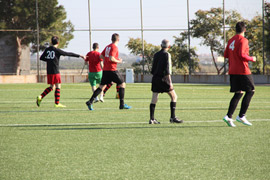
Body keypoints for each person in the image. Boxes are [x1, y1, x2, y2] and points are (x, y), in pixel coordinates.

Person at [223, 21, 256, 127]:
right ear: (244, 30)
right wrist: (252, 58)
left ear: (235, 30)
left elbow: (226, 55)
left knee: (238, 93)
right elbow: (242, 54)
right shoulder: (244, 40)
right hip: (242, 70)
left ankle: (228, 116)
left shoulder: (231, 40)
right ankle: (241, 116)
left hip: (233, 70)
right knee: (251, 91)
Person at [36, 36, 86, 108]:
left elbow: (41, 58)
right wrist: (80, 55)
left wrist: (49, 60)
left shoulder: (47, 49)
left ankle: (41, 96)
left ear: (51, 42)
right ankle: (57, 103)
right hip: (55, 70)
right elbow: (68, 53)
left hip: (49, 71)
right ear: (58, 43)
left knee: (51, 86)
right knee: (58, 86)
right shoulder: (57, 50)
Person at [86, 33, 131, 110]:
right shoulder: (114, 47)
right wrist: (119, 61)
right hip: (112, 69)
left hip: (106, 70)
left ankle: (90, 101)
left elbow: (101, 56)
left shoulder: (107, 47)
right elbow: (111, 58)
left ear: (111, 39)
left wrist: (106, 60)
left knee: (101, 86)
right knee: (122, 84)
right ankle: (122, 104)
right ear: (118, 39)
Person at [149, 39, 183, 124]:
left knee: (154, 98)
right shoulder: (167, 55)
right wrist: (170, 82)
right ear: (169, 46)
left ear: (161, 46)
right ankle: (172, 117)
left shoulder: (156, 54)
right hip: (163, 79)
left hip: (155, 78)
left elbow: (152, 69)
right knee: (174, 96)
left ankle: (152, 119)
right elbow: (168, 70)